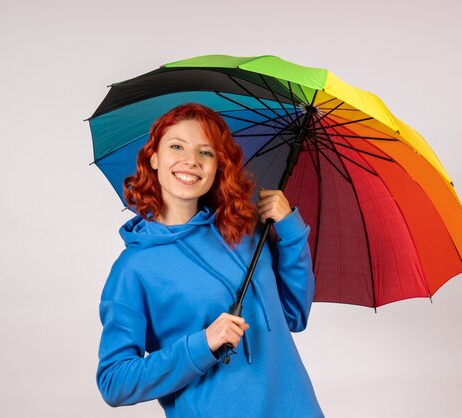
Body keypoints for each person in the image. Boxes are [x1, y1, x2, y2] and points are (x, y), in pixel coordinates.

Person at [96, 103, 324, 417]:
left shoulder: (243, 230)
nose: (191, 161)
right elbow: (115, 382)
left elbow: (294, 316)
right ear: (154, 157)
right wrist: (202, 344)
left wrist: (291, 231)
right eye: (177, 146)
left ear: (219, 164)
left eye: (206, 152)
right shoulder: (133, 269)